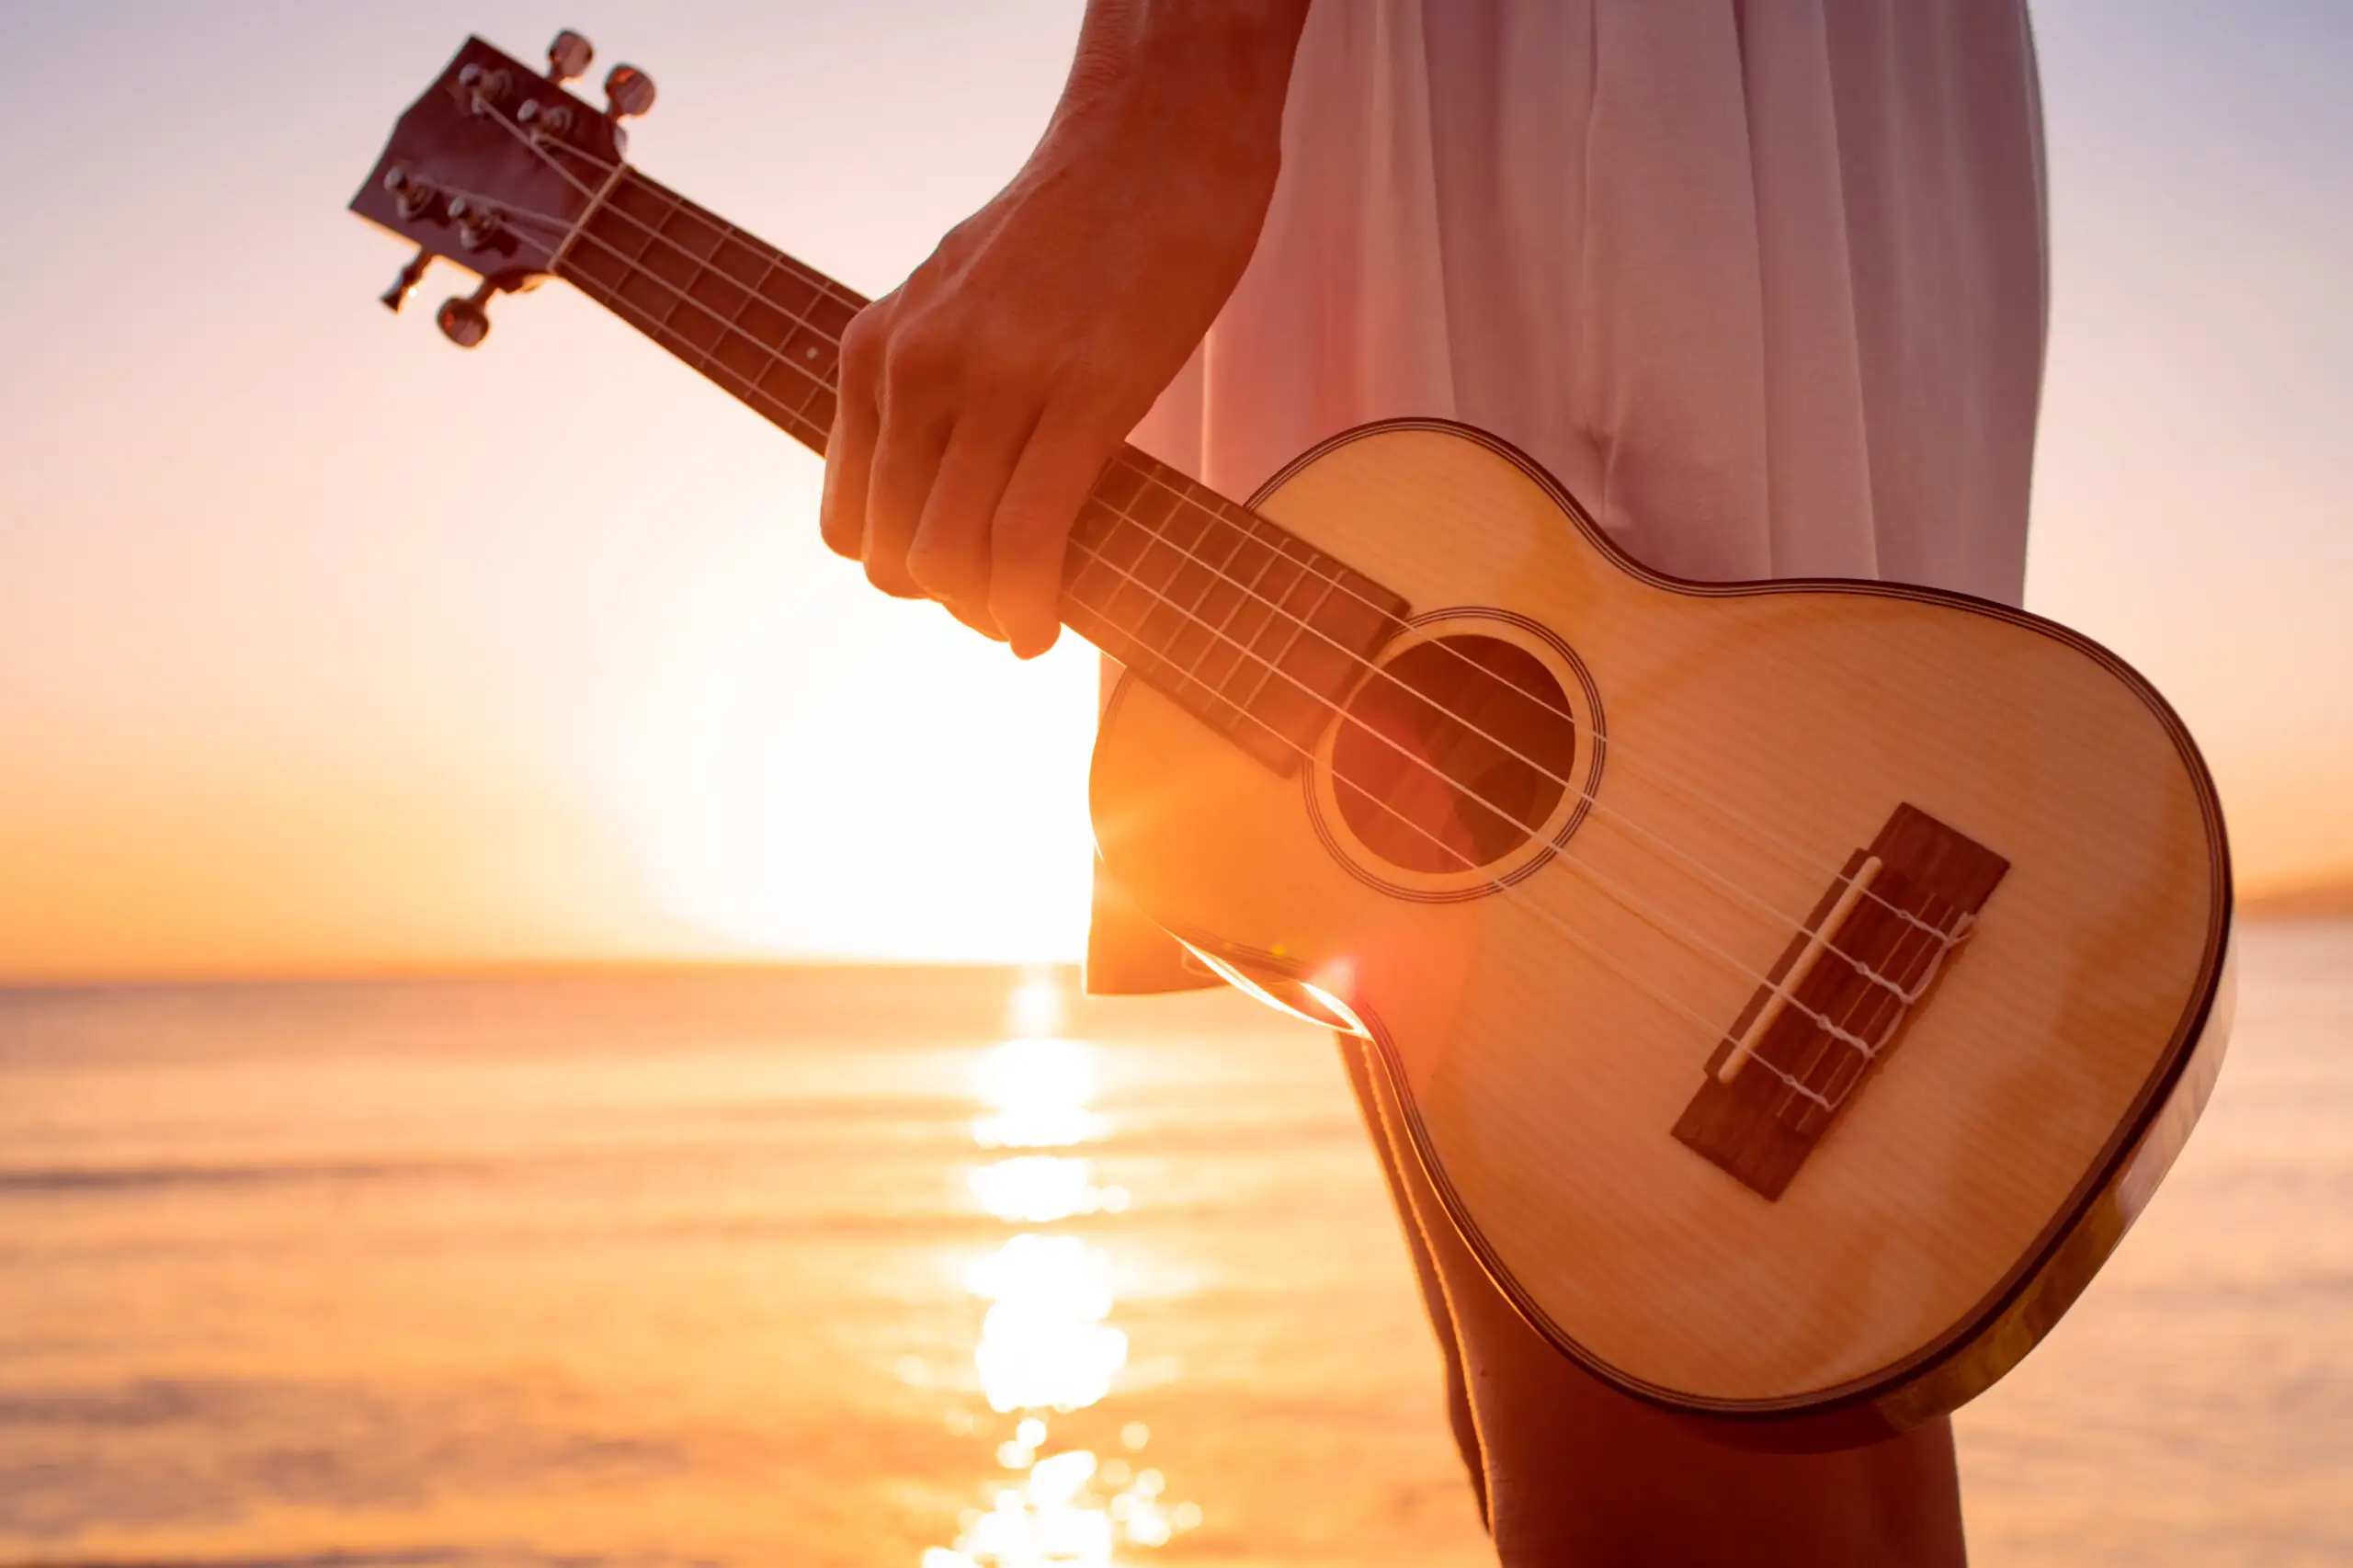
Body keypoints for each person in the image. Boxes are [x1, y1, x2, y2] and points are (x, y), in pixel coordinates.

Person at [819, 3, 2046, 1562]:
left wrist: (1155, 106)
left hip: (1552, 75)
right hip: (1757, 88)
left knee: (1662, 1414)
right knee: (1670, 1380)